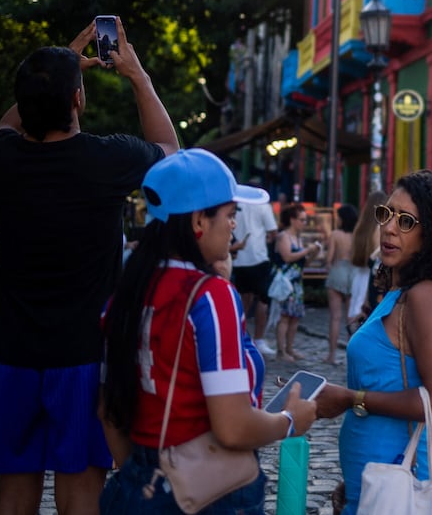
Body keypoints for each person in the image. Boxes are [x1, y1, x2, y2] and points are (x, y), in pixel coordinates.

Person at [0, 20, 179, 515]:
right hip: (85, 357)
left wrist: (55, 68)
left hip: (11, 351)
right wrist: (138, 77)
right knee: (81, 494)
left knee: (11, 493)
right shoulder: (106, 159)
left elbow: (9, 124)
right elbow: (174, 156)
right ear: (78, 102)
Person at [99, 149, 317, 513]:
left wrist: (144, 473)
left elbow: (108, 410)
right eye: (231, 215)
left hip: (138, 484)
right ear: (200, 220)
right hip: (209, 495)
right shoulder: (211, 297)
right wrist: (291, 420)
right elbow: (232, 427)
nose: (234, 226)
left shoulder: (125, 295)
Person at [314, 170, 432, 514]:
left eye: (406, 221)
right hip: (380, 478)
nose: (389, 227)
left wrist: (349, 398)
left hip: (407, 478)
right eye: (386, 214)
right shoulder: (399, 294)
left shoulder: (426, 298)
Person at [230, 188, 277, 360]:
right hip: (258, 256)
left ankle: (238, 335)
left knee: (244, 299)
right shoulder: (263, 204)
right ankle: (259, 338)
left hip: (238, 259)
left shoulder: (235, 203)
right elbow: (273, 231)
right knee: (263, 300)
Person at [274, 203, 322, 363]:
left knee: (295, 317)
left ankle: (289, 348)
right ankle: (281, 350)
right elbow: (287, 257)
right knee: (285, 316)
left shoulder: (298, 239)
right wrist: (307, 250)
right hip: (286, 282)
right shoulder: (284, 236)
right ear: (292, 220)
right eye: (301, 219)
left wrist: (313, 254)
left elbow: (304, 263)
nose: (304, 223)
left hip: (297, 283)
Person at [348, 191, 387, 330]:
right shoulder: (378, 228)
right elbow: (377, 257)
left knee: (355, 317)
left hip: (358, 275)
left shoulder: (360, 228)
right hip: (370, 277)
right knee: (365, 317)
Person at [325, 203, 358, 365]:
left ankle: (331, 355)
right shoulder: (357, 235)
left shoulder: (335, 234)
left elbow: (329, 258)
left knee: (335, 318)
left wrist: (328, 266)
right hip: (353, 273)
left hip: (338, 271)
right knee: (351, 318)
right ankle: (352, 357)